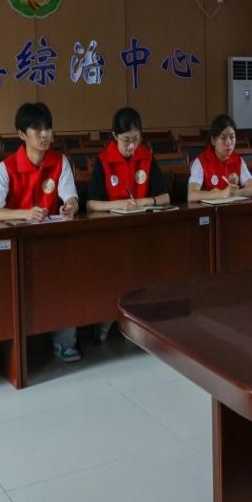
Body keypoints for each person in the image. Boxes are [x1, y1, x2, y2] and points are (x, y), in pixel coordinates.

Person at [0, 102, 81, 386]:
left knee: (67, 277)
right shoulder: (6, 167)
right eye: (37, 129)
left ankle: (65, 341)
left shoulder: (60, 161)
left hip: (46, 245)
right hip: (8, 248)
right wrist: (25, 213)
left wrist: (69, 205)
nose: (45, 134)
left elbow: (71, 197)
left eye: (48, 128)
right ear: (21, 134)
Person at [86, 107, 172, 342]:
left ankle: (144, 321)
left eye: (136, 139)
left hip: (143, 229)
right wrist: (120, 205)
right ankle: (107, 319)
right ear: (115, 136)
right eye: (126, 140)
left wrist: (146, 201)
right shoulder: (103, 162)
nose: (132, 145)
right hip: (112, 232)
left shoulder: (147, 157)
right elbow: (91, 204)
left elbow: (165, 197)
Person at [188, 114, 252, 202]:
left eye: (232, 137)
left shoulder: (238, 160)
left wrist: (235, 192)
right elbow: (192, 195)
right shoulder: (200, 162)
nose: (229, 142)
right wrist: (222, 194)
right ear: (213, 140)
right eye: (223, 138)